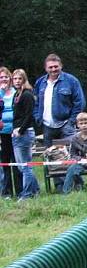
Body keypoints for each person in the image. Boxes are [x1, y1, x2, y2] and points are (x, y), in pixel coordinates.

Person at [34, 54, 85, 146]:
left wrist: (71, 122)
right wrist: (38, 118)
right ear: (46, 68)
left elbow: (79, 103)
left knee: (70, 155)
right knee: (50, 156)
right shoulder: (40, 83)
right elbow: (35, 103)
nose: (53, 69)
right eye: (50, 67)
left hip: (66, 125)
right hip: (47, 126)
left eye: (56, 66)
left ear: (61, 66)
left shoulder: (72, 81)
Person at [10, 69, 40, 199]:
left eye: (19, 79)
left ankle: (27, 194)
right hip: (17, 132)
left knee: (25, 166)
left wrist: (20, 130)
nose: (17, 81)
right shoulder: (16, 94)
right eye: (15, 79)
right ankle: (35, 190)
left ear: (24, 79)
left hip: (25, 133)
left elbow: (29, 116)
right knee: (23, 166)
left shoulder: (27, 94)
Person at [0, 67, 21, 198]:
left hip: (15, 131)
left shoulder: (16, 93)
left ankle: (20, 191)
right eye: (1, 77)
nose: (4, 80)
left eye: (6, 77)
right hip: (2, 133)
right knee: (5, 162)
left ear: (10, 79)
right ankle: (7, 192)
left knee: (17, 162)